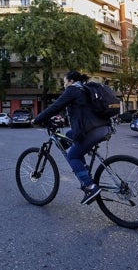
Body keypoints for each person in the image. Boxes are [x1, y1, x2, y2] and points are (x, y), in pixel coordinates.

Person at [32, 71, 111, 205]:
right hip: (103, 128)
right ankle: (83, 169)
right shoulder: (86, 90)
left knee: (72, 156)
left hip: (91, 131)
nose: (64, 85)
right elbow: (82, 111)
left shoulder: (73, 90)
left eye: (64, 82)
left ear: (71, 81)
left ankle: (90, 187)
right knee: (69, 135)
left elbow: (55, 106)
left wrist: (37, 119)